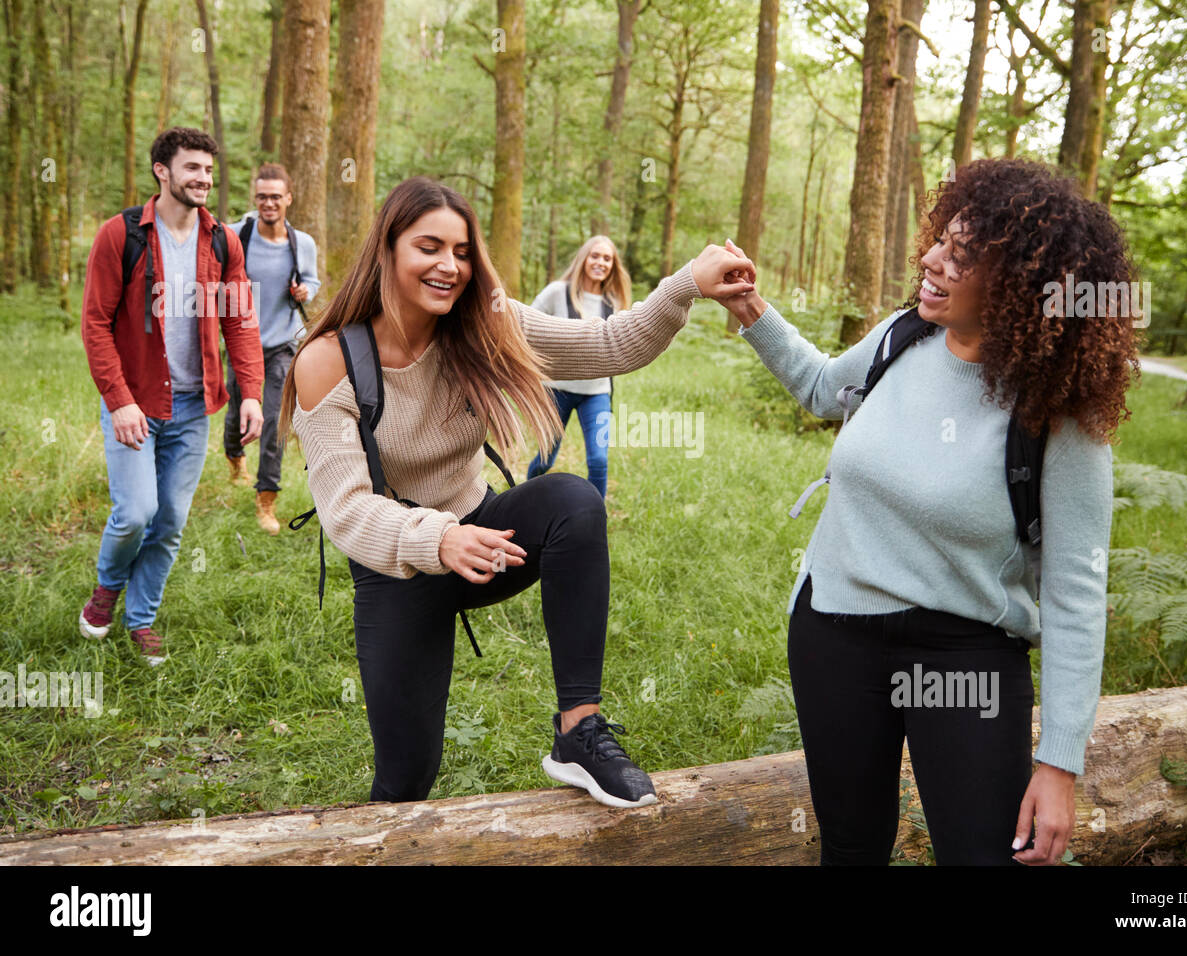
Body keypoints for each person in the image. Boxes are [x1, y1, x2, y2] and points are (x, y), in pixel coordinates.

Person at [280, 177, 754, 807]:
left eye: (463, 250)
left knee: (573, 501)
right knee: (405, 780)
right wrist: (439, 539)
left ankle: (578, 731)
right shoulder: (328, 361)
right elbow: (345, 510)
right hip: (395, 565)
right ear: (387, 250)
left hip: (488, 535)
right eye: (429, 247)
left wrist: (685, 284)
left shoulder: (485, 321)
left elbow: (607, 343)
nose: (450, 266)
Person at [719, 158, 1139, 865]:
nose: (931, 259)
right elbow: (825, 388)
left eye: (960, 256)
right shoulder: (901, 338)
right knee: (851, 846)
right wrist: (750, 309)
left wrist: (1059, 763)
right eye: (940, 239)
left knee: (982, 854)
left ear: (1019, 285)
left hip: (965, 653)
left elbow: (1075, 594)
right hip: (835, 631)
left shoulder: (1056, 413)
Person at [79, 126, 264, 665]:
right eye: (192, 169)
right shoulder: (122, 235)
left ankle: (140, 620)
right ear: (162, 171)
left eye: (209, 170)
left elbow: (240, 320)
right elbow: (95, 323)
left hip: (192, 408)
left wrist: (249, 391)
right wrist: (119, 400)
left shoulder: (221, 241)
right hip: (134, 403)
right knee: (136, 513)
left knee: (170, 523)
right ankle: (108, 587)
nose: (203, 179)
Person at [223, 163, 320, 534]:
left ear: (288, 199)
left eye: (275, 196)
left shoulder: (302, 243)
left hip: (282, 343)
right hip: (241, 345)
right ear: (255, 198)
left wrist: (305, 291)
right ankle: (234, 456)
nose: (268, 203)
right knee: (237, 416)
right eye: (262, 196)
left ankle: (266, 499)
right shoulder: (235, 235)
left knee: (274, 424)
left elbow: (311, 278)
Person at [525, 236, 631, 497]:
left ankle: (595, 520)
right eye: (595, 256)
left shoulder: (613, 303)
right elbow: (525, 325)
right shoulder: (557, 292)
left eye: (607, 258)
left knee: (599, 460)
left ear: (613, 265)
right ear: (584, 258)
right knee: (544, 461)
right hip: (556, 390)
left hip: (596, 393)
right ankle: (523, 500)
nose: (600, 262)